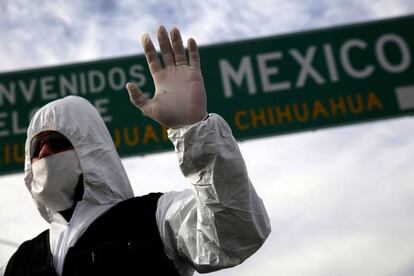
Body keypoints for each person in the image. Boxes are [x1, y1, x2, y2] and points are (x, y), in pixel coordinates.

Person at [2, 26, 271, 276]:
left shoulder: (156, 217)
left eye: (58, 142)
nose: (46, 151)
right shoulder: (21, 261)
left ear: (90, 151)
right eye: (37, 147)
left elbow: (234, 235)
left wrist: (193, 128)